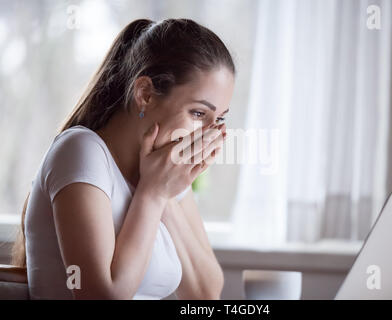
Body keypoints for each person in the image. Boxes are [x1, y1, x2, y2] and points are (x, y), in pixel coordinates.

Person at [11, 18, 235, 300]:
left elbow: (205, 293)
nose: (208, 135)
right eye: (199, 114)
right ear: (145, 94)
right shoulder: (81, 151)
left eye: (220, 120)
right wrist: (151, 194)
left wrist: (163, 192)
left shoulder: (163, 172)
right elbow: (101, 296)